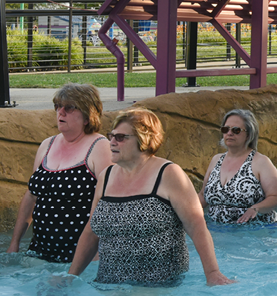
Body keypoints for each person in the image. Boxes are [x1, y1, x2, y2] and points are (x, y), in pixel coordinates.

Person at [68, 109, 233, 286]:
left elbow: (196, 226)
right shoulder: (105, 177)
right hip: (108, 283)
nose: (112, 142)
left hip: (159, 285)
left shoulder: (168, 174)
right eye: (111, 136)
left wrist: (212, 273)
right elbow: (91, 232)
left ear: (143, 140)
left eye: (121, 137)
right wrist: (70, 277)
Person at [9, 83, 112, 262]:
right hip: (40, 251)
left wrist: (96, 256)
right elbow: (31, 197)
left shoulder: (100, 147)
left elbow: (110, 203)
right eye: (58, 106)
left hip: (79, 255)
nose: (61, 112)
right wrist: (15, 243)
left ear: (88, 116)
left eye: (69, 108)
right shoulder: (46, 145)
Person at [200, 109, 277, 225]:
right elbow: (203, 195)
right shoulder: (216, 160)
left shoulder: (261, 162)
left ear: (248, 134)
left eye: (236, 130)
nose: (229, 133)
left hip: (254, 230)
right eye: (225, 129)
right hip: (217, 229)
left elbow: (275, 197)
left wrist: (256, 208)